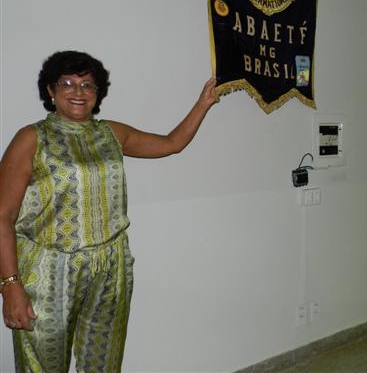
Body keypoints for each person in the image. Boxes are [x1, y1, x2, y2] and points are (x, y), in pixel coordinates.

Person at [0, 50, 219, 372]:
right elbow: (3, 216)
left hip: (110, 267)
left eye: (87, 84)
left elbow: (172, 143)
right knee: (43, 365)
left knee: (104, 363)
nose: (78, 91)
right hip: (49, 270)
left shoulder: (111, 133)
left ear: (97, 92)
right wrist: (10, 284)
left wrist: (204, 102)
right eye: (67, 83)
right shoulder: (32, 138)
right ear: (50, 90)